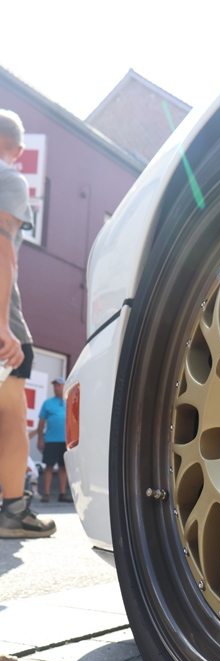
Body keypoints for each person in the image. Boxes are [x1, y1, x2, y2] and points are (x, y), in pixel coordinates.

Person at [0, 109, 55, 537]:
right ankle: (14, 511)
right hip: (5, 322)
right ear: (18, 149)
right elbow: (3, 249)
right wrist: (3, 326)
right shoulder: (10, 179)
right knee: (11, 415)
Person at [37, 377, 71, 502]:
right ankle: (46, 493)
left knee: (63, 467)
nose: (56, 388)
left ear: (64, 387)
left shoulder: (70, 402)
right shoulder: (48, 403)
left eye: (58, 385)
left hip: (66, 441)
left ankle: (62, 493)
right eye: (55, 386)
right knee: (49, 466)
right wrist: (40, 439)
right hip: (51, 440)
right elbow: (41, 423)